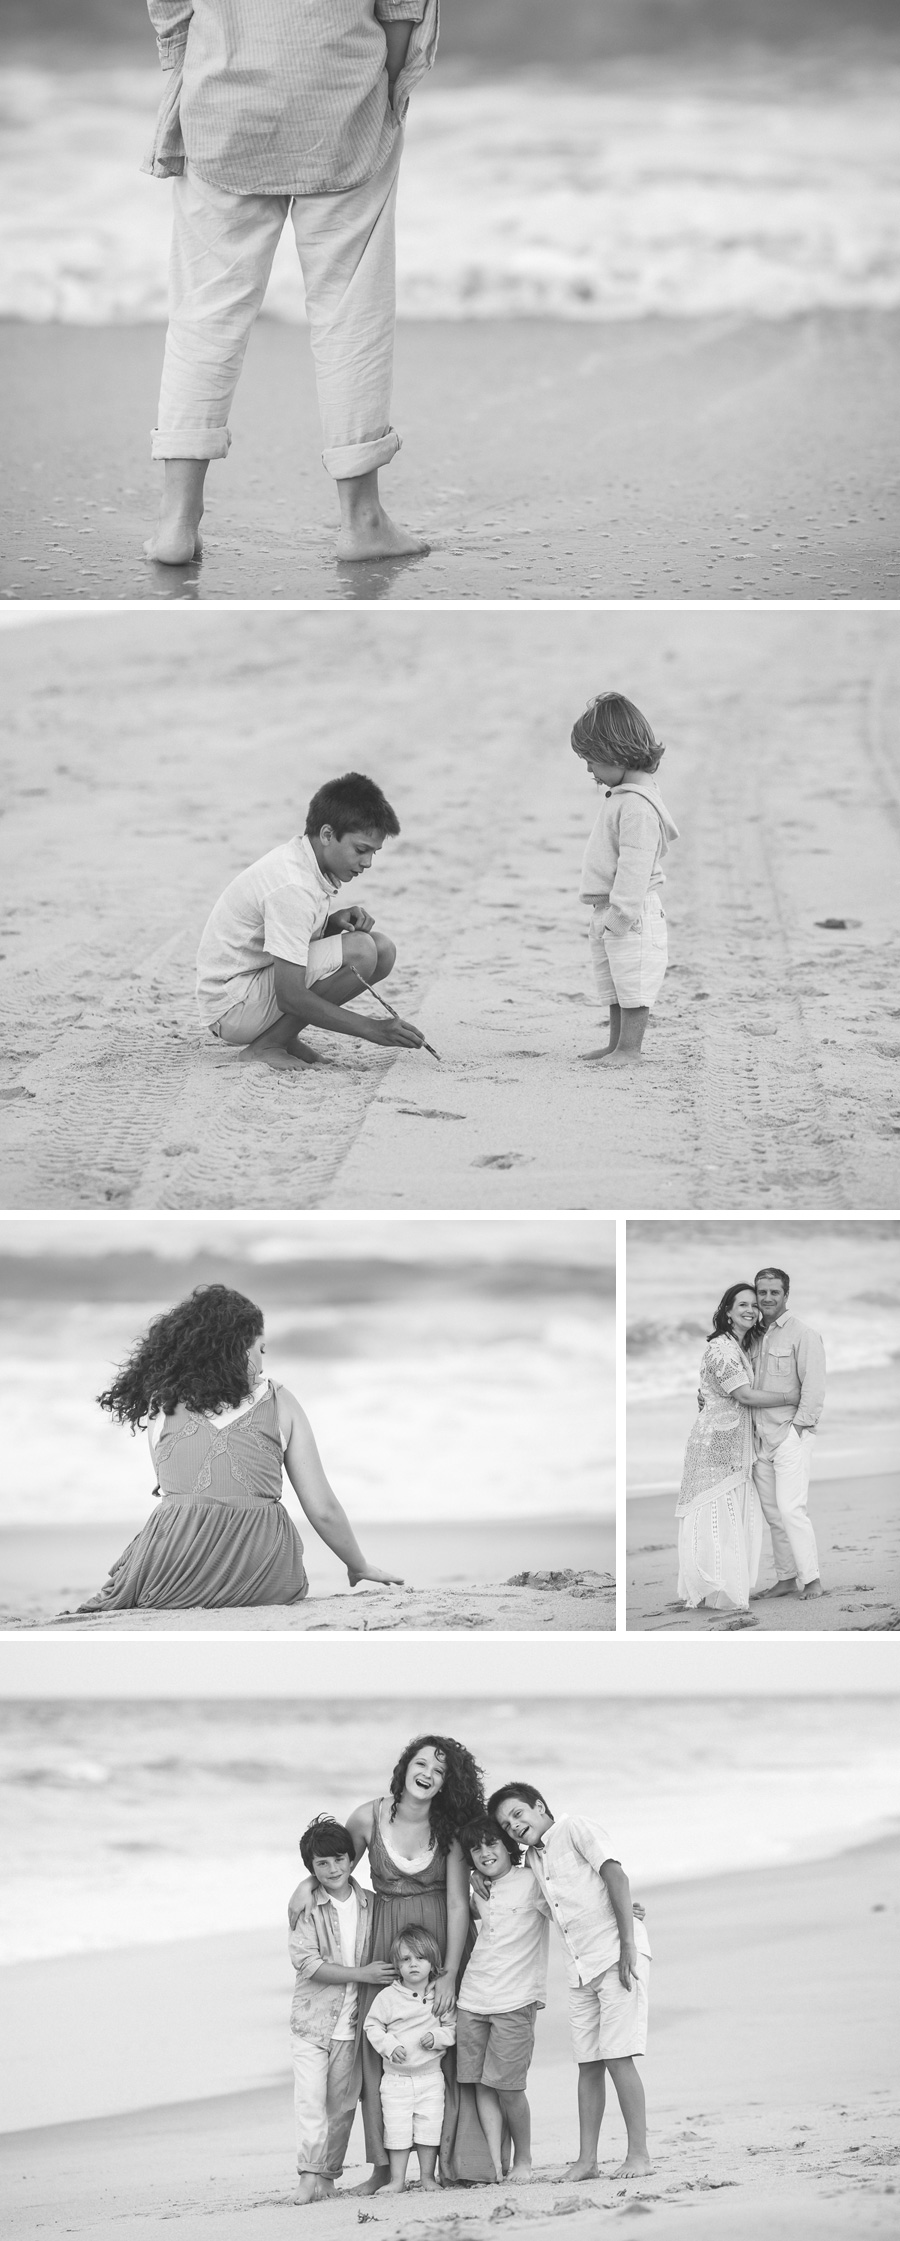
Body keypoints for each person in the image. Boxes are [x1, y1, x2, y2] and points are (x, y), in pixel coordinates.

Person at [142, 0, 438, 567]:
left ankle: (177, 522)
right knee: (351, 307)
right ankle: (362, 520)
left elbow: (171, 11)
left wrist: (192, 71)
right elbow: (401, 7)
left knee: (205, 312)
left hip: (223, 95)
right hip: (341, 94)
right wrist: (387, 86)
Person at [78, 1283, 401, 1612]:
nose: (263, 1361)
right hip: (266, 1577)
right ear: (238, 1348)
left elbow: (172, 1494)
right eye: (261, 1349)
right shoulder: (281, 1401)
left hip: (170, 1576)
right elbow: (322, 1509)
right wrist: (357, 1565)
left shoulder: (161, 1403)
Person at [288, 1734, 496, 2190]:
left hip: (440, 1940)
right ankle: (385, 2167)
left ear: (446, 1784)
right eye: (421, 1764)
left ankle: (454, 2162)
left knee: (444, 2046)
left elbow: (459, 1904)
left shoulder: (449, 1831)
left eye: (439, 1771)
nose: (428, 1775)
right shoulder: (367, 1817)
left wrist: (448, 1973)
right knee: (377, 2051)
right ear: (404, 1767)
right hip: (384, 1944)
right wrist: (306, 1885)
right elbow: (336, 1871)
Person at [195, 772, 425, 1070]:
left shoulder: (306, 863)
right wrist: (374, 1029)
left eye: (373, 853)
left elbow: (286, 946)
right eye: (361, 850)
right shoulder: (293, 885)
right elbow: (290, 996)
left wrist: (330, 925)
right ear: (328, 834)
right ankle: (268, 1044)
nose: (367, 863)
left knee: (382, 949)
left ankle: (279, 1037)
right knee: (362, 951)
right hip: (232, 1008)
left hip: (248, 990)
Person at [489, 1781, 652, 2183]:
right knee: (589, 2063)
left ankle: (639, 2155)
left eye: (518, 1814)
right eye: (506, 1825)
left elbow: (615, 1875)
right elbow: (549, 1906)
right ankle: (587, 2161)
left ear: (539, 1806)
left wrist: (628, 1942)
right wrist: (482, 1879)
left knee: (618, 2055)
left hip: (616, 1955)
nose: (513, 1826)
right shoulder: (533, 1862)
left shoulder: (575, 1827)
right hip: (579, 1969)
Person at [289, 1815, 394, 2205]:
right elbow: (308, 1964)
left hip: (353, 2025)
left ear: (352, 1859)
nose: (333, 1869)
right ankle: (307, 2176)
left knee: (342, 2109)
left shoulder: (371, 1904)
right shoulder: (307, 1907)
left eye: (339, 1860)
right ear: (311, 1869)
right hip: (312, 2025)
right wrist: (361, 1973)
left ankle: (328, 2176)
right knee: (311, 2102)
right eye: (322, 1864)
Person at [570, 692, 679, 1066]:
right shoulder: (624, 796)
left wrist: (621, 915)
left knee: (633, 982)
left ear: (615, 754)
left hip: (630, 913)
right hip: (609, 908)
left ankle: (630, 1050)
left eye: (590, 760)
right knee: (615, 984)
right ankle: (616, 1044)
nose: (588, 770)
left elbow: (635, 867)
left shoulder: (637, 806)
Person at [676, 1282, 789, 1617]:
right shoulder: (722, 1350)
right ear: (727, 1310)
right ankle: (711, 1586)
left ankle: (722, 1586)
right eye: (742, 1304)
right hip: (715, 1444)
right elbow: (744, 1395)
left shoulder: (742, 1345)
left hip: (736, 1444)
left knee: (730, 1515)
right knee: (715, 1513)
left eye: (754, 1305)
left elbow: (710, 1391)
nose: (751, 1310)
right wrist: (791, 1398)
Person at [456, 1813, 550, 2185]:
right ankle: (495, 2162)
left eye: (491, 1844)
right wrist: (473, 1880)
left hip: (516, 1999)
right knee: (481, 2083)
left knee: (510, 2087)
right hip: (473, 1999)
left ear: (508, 1846)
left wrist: (625, 1910)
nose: (484, 1853)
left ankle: (524, 2160)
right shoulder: (478, 1890)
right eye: (476, 1848)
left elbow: (568, 1907)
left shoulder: (532, 1882)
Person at [751, 1267, 826, 1601]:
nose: (767, 1298)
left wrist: (797, 1430)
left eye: (774, 1292)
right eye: (762, 1292)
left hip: (789, 1436)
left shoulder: (803, 1334)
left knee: (792, 1509)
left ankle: (812, 1581)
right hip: (758, 1438)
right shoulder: (751, 1336)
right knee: (773, 1514)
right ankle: (785, 1578)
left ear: (786, 1295)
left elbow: (814, 1387)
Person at [363, 1927, 456, 2193]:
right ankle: (397, 2180)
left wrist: (437, 2037)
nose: (413, 1964)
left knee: (429, 2126)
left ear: (432, 1963)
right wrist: (389, 2046)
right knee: (397, 2129)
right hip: (396, 2079)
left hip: (430, 2076)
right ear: (397, 1965)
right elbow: (372, 2026)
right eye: (405, 1959)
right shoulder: (389, 1997)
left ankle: (427, 2176)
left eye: (420, 1958)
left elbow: (452, 2027)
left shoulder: (440, 1995)